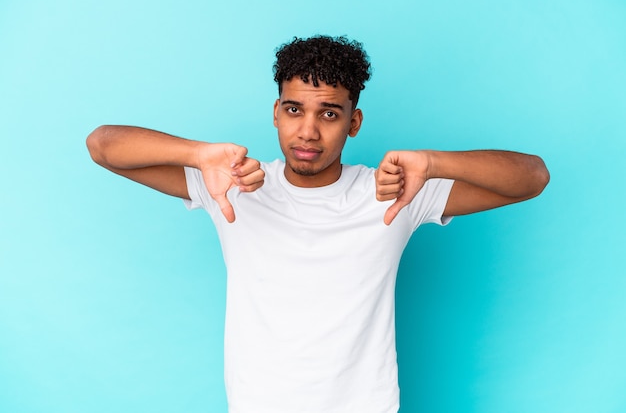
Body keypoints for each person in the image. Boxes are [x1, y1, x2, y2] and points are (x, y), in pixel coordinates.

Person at [86, 35, 549, 413]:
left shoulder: (395, 191)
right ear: (275, 113)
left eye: (329, 113)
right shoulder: (232, 184)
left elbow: (532, 178)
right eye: (294, 110)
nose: (308, 131)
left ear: (354, 122)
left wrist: (432, 161)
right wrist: (195, 153)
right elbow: (102, 145)